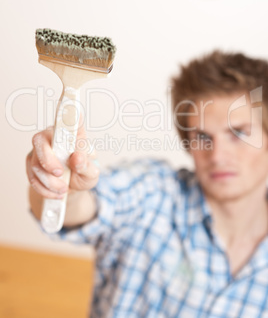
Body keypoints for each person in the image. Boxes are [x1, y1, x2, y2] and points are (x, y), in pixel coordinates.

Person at [26, 50, 268, 317]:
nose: (218, 155)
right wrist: (64, 188)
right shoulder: (153, 193)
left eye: (239, 133)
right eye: (202, 136)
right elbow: (90, 206)